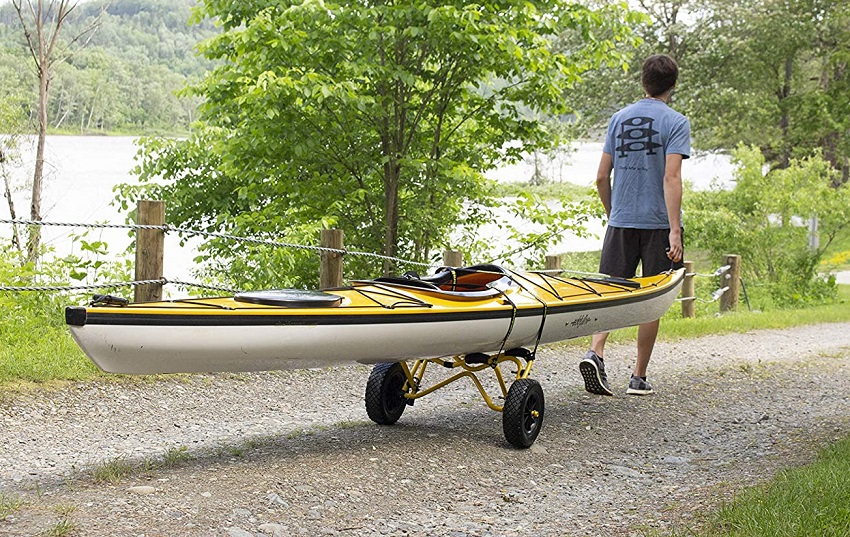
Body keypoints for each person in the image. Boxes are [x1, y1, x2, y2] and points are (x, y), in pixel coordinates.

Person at [579, 53, 690, 396]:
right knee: (650, 300)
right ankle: (638, 377)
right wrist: (674, 229)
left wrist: (614, 213)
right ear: (673, 84)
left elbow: (600, 177)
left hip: (621, 222)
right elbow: (671, 178)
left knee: (610, 293)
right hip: (658, 225)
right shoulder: (676, 122)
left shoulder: (618, 119)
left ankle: (595, 351)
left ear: (643, 82)